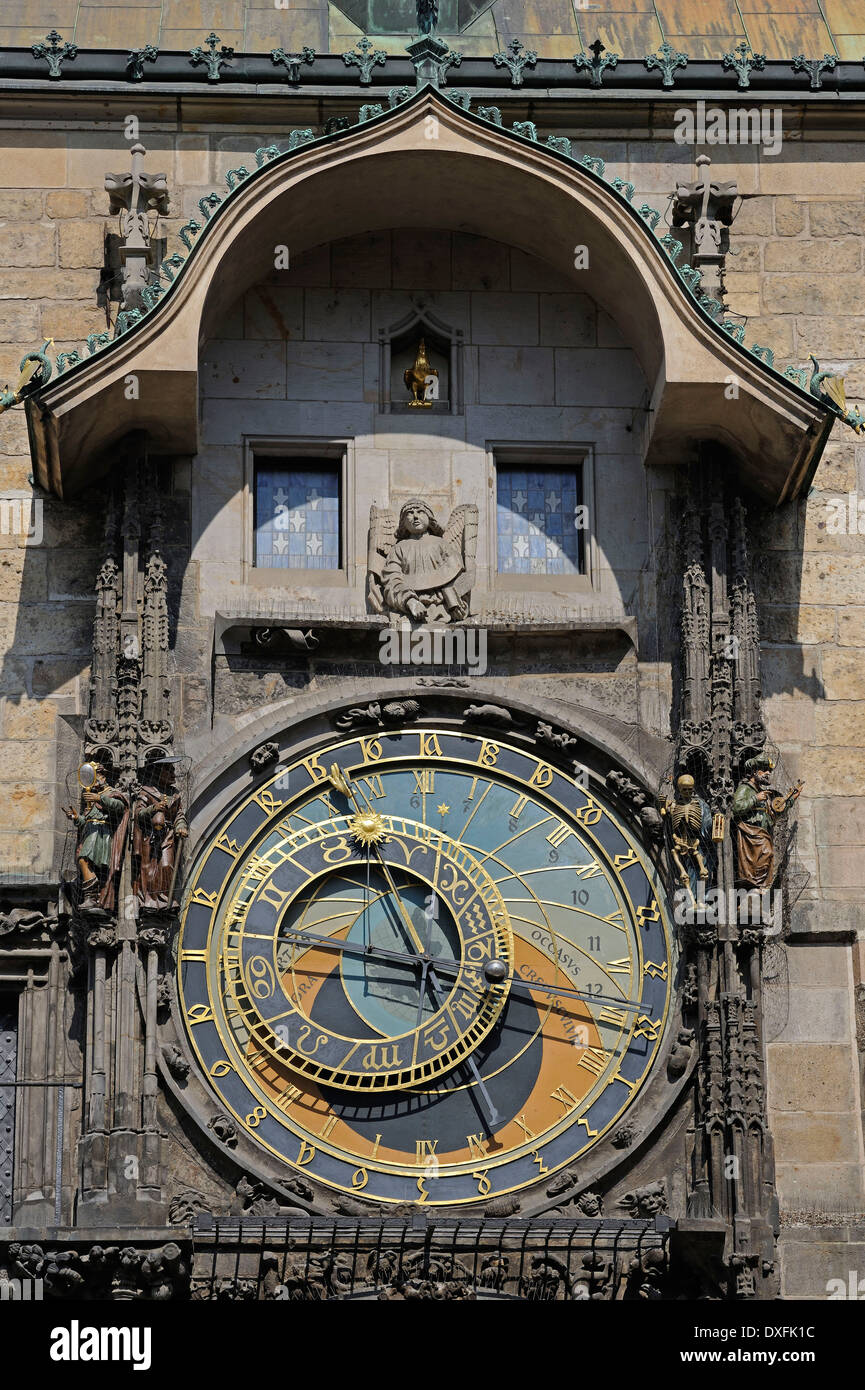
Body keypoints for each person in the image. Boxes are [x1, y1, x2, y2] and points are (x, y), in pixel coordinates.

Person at [381, 499, 466, 624]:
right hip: (408, 610)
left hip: (441, 609)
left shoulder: (441, 544)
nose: (415, 516)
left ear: (429, 517)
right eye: (409, 513)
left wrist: (453, 603)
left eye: (420, 512)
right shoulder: (399, 548)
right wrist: (410, 601)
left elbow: (455, 574)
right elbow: (391, 580)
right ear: (403, 522)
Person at [63, 761, 129, 914]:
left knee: (83, 859)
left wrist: (99, 799)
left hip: (101, 833)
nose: (93, 780)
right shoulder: (92, 796)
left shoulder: (110, 792)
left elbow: (120, 807)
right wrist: (75, 817)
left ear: (102, 776)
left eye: (94, 776)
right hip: (89, 832)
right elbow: (85, 821)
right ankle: (91, 897)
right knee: (85, 862)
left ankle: (91, 897)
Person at [732, 754, 802, 889]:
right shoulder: (745, 788)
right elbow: (736, 807)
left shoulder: (761, 791)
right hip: (751, 834)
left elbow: (774, 812)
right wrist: (755, 799)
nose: (768, 773)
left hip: (762, 833)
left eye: (768, 771)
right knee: (766, 854)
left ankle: (757, 888)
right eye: (764, 770)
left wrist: (792, 799)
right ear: (754, 771)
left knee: (766, 858)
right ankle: (753, 888)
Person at [132, 757, 188, 912]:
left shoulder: (174, 794)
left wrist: (181, 826)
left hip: (168, 835)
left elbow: (179, 815)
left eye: (173, 770)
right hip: (151, 837)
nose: (173, 774)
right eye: (169, 770)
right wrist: (154, 808)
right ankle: (150, 900)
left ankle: (165, 899)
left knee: (166, 865)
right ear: (158, 772)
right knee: (150, 869)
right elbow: (139, 813)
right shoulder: (146, 791)